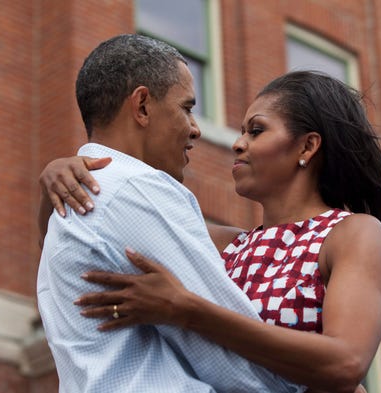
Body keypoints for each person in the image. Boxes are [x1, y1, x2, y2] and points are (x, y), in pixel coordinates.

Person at [40, 69, 381, 392]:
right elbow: (83, 242)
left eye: (256, 130)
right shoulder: (227, 245)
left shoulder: (352, 234)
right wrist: (62, 179)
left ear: (307, 146)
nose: (238, 143)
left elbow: (345, 362)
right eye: (241, 132)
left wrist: (186, 310)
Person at [37, 33, 305, 393]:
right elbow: (232, 360)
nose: (195, 128)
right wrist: (308, 385)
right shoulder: (134, 189)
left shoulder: (84, 195)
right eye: (187, 108)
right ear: (143, 106)